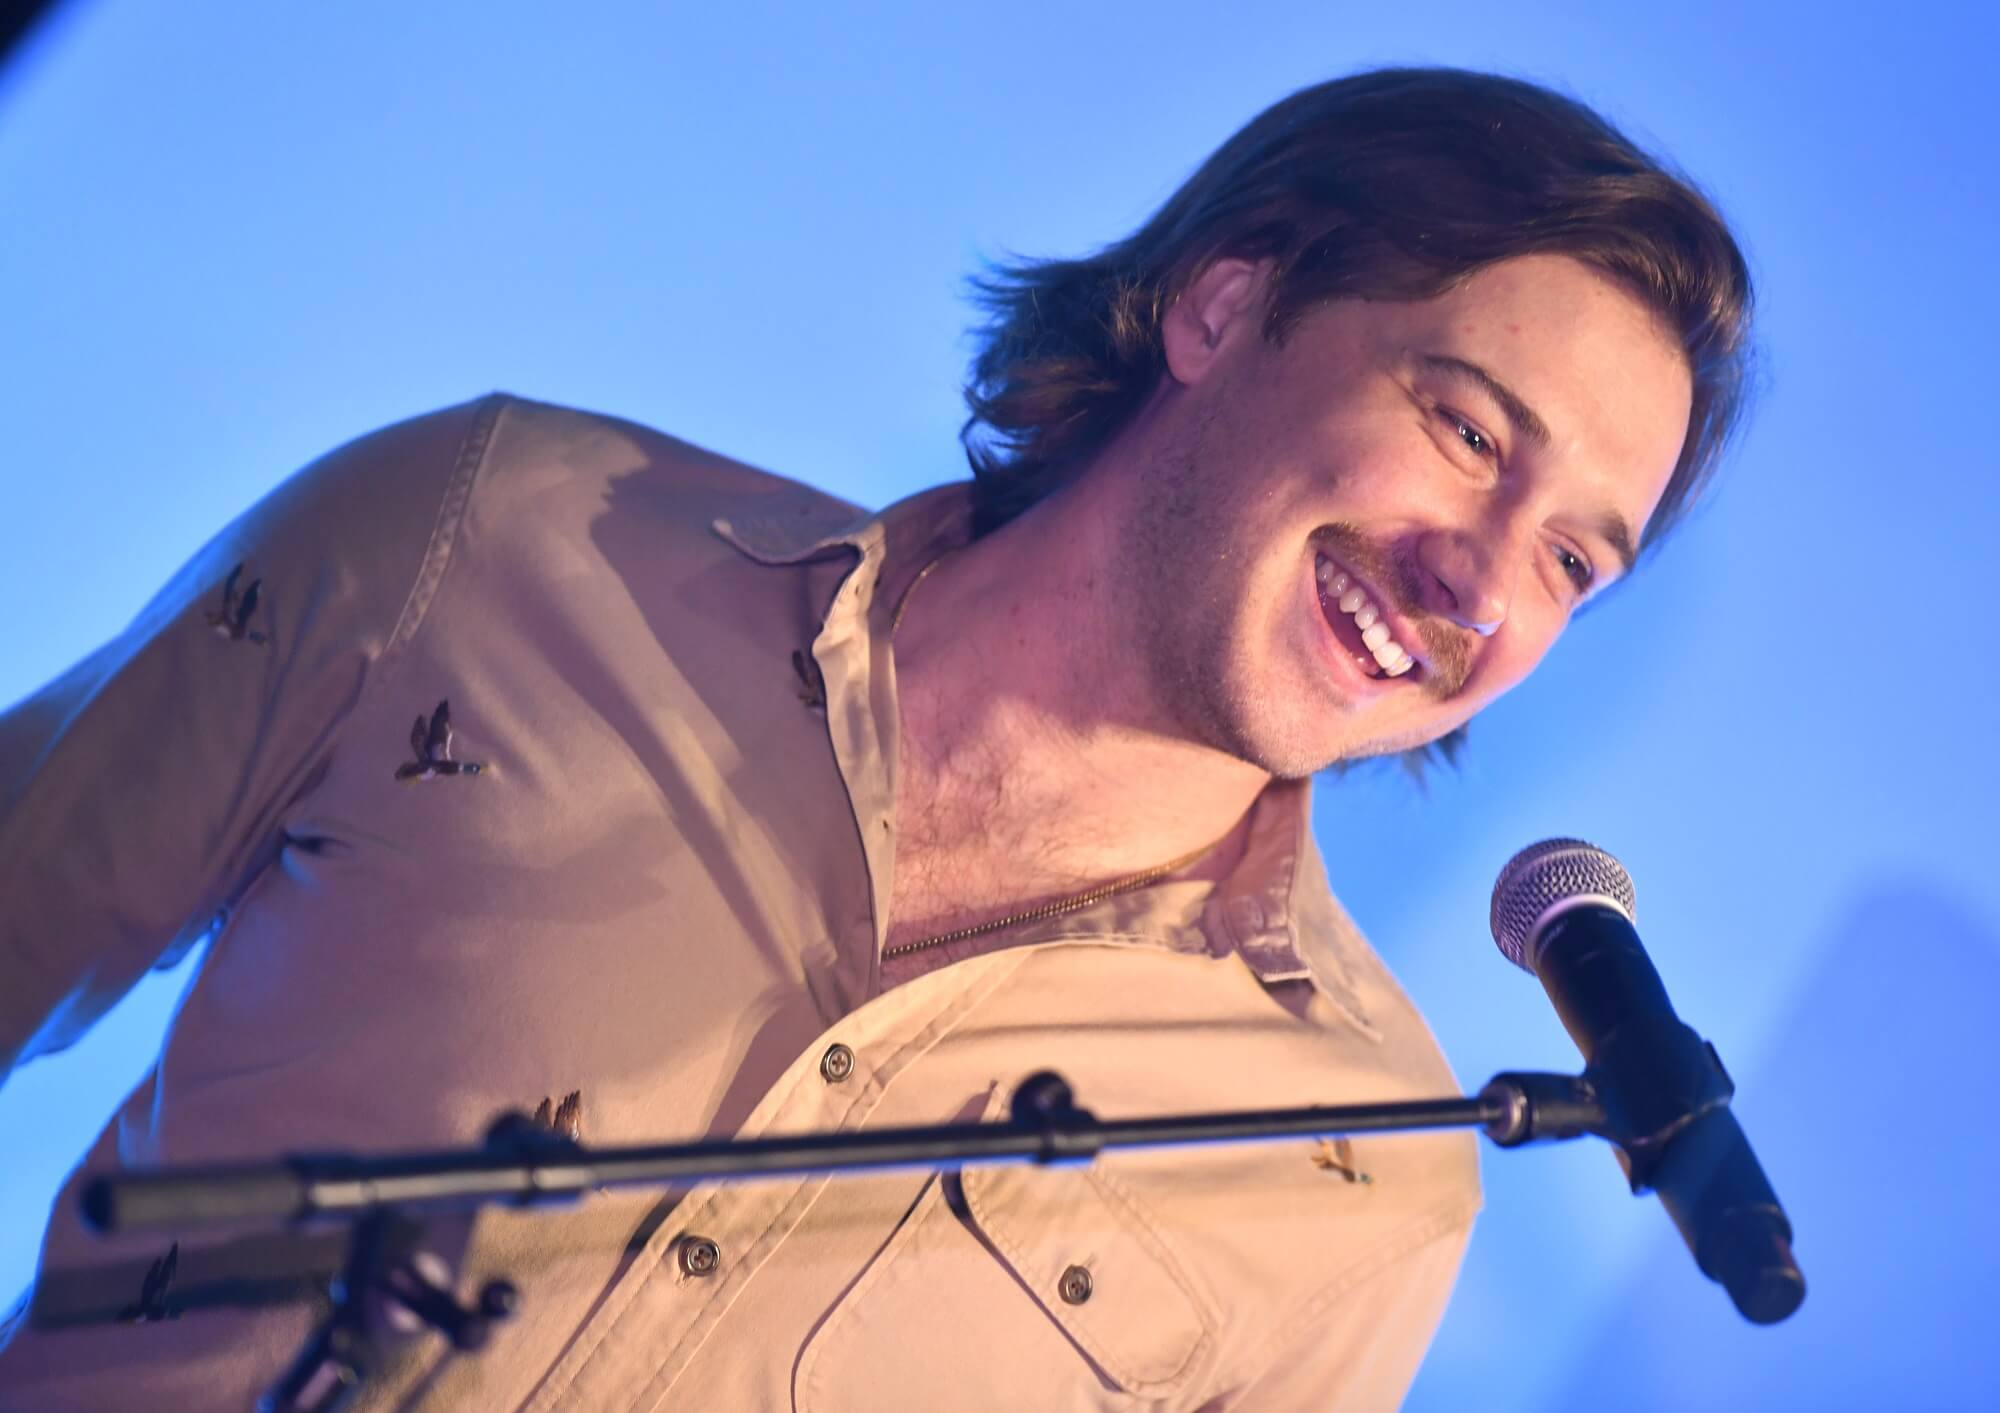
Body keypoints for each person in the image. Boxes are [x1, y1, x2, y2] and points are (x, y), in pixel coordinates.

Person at [0, 65, 1751, 1411]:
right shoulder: (493, 532)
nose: (1481, 580)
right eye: (1462, 427)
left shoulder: (1365, 1173)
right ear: (1228, 308)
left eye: (1573, 558)